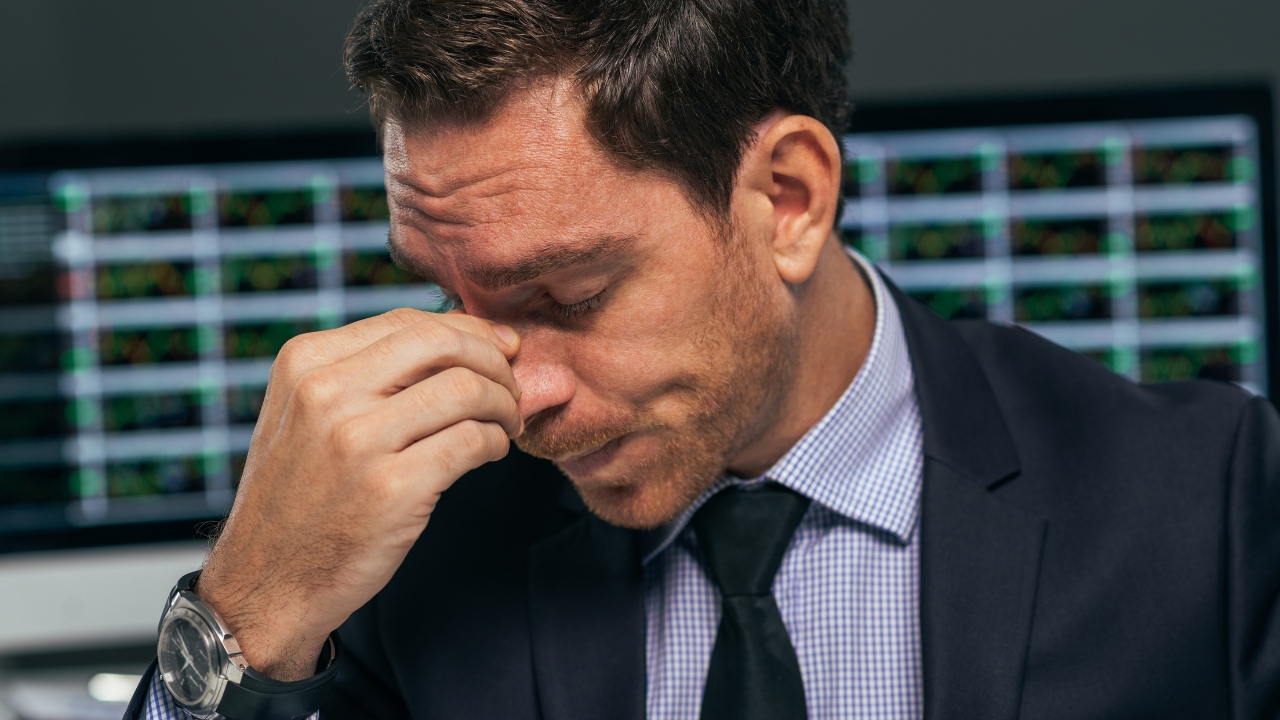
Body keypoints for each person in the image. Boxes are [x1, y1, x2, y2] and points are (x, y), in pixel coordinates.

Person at [129, 0, 1280, 718]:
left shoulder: (1208, 499)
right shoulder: (408, 549)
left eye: (570, 294)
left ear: (787, 197)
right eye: (451, 296)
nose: (514, 393)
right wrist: (247, 609)